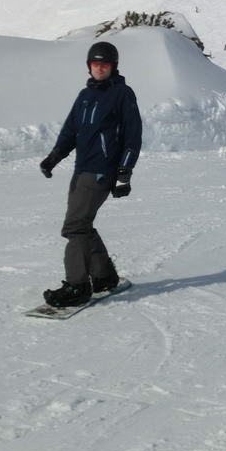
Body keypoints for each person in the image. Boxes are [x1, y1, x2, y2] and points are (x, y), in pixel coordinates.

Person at [39, 41, 142, 307]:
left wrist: (124, 173)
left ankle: (77, 285)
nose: (99, 68)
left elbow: (133, 137)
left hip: (101, 171)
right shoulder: (85, 95)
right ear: (89, 65)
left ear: (113, 67)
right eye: (95, 64)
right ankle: (104, 276)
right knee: (82, 225)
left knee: (74, 227)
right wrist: (54, 158)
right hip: (82, 169)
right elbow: (71, 131)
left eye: (105, 64)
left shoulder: (122, 94)